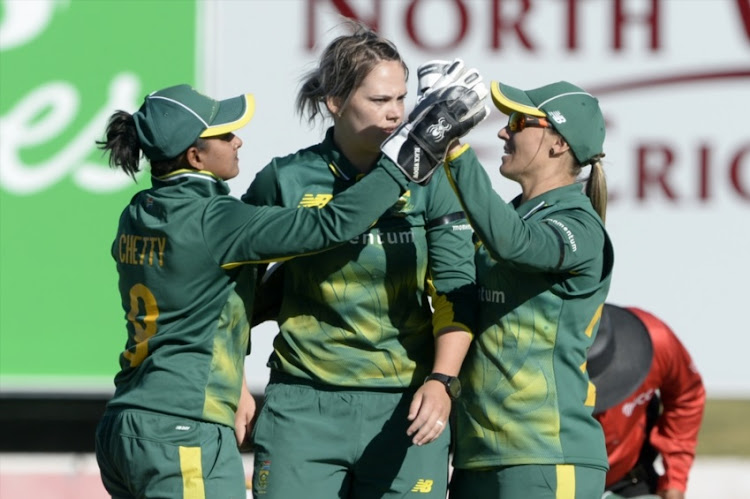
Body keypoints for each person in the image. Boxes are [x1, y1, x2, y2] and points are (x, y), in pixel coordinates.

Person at [93, 83, 422, 499]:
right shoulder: (216, 218)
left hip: (124, 422)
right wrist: (407, 158)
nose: (238, 140)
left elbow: (211, 300)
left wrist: (238, 386)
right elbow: (331, 225)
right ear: (195, 156)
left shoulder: (137, 211)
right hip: (183, 425)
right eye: (225, 134)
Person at [242, 24, 477, 498]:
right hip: (301, 406)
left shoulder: (432, 182)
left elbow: (456, 290)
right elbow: (231, 291)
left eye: (401, 99)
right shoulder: (284, 179)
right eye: (378, 100)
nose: (395, 115)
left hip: (405, 407)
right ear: (334, 101)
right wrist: (232, 380)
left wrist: (441, 381)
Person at [400, 77, 615, 498]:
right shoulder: (510, 216)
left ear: (559, 144)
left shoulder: (579, 225)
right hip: (477, 456)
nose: (502, 130)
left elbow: (514, 243)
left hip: (548, 458)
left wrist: (454, 147)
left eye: (518, 122)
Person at [588, 304, 706, 499]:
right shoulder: (528, 362)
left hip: (630, 477)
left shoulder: (655, 340)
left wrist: (675, 478)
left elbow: (687, 396)